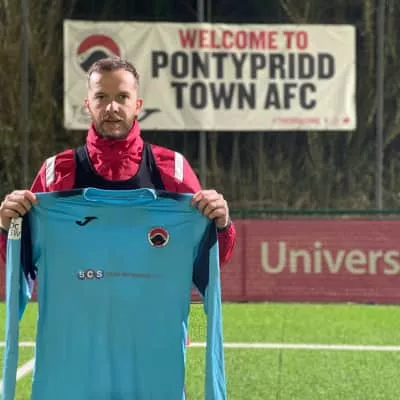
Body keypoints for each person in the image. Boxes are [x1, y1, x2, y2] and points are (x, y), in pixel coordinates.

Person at [0, 56, 236, 269]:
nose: (112, 107)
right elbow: (23, 262)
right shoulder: (57, 171)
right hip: (77, 305)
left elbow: (207, 261)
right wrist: (6, 226)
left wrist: (221, 225)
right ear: (88, 105)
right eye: (101, 97)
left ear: (137, 106)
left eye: (122, 97)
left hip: (152, 305)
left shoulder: (172, 168)